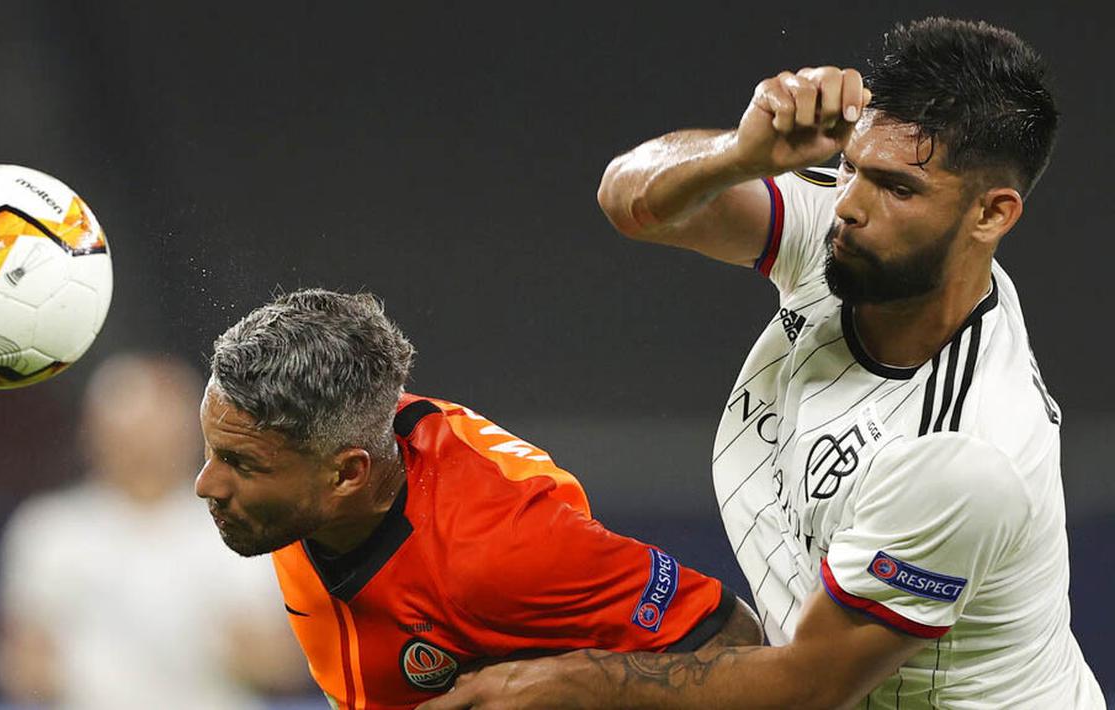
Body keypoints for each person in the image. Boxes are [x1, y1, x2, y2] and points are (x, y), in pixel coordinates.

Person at [419, 17, 1105, 709]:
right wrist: (738, 155)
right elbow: (627, 201)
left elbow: (807, 687)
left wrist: (565, 682)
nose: (851, 206)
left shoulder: (962, 452)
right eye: (850, 168)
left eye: (897, 189)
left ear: (992, 214)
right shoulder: (849, 227)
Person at [194, 288, 763, 710]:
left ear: (347, 475)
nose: (206, 485)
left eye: (240, 464)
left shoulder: (501, 547)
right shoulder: (315, 445)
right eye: (212, 451)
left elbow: (738, 644)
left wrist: (575, 683)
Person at [0, 353, 309, 709]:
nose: (143, 445)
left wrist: (245, 652)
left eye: (156, 427)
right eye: (129, 428)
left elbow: (284, 664)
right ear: (93, 433)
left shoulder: (246, 523)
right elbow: (21, 665)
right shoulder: (51, 530)